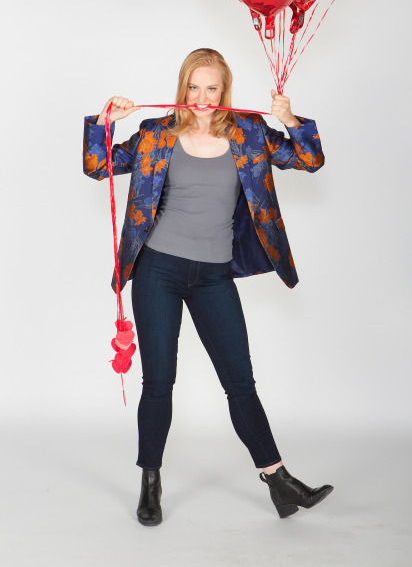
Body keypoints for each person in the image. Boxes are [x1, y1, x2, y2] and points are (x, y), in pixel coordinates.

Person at [83, 47, 333, 526]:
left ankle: (279, 481)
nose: (201, 97)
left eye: (211, 88)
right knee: (159, 383)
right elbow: (98, 167)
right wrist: (103, 122)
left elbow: (310, 160)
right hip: (158, 269)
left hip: (214, 274)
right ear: (183, 90)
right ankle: (150, 484)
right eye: (193, 87)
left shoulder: (251, 133)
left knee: (240, 383)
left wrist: (291, 117)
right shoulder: (156, 135)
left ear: (224, 92)